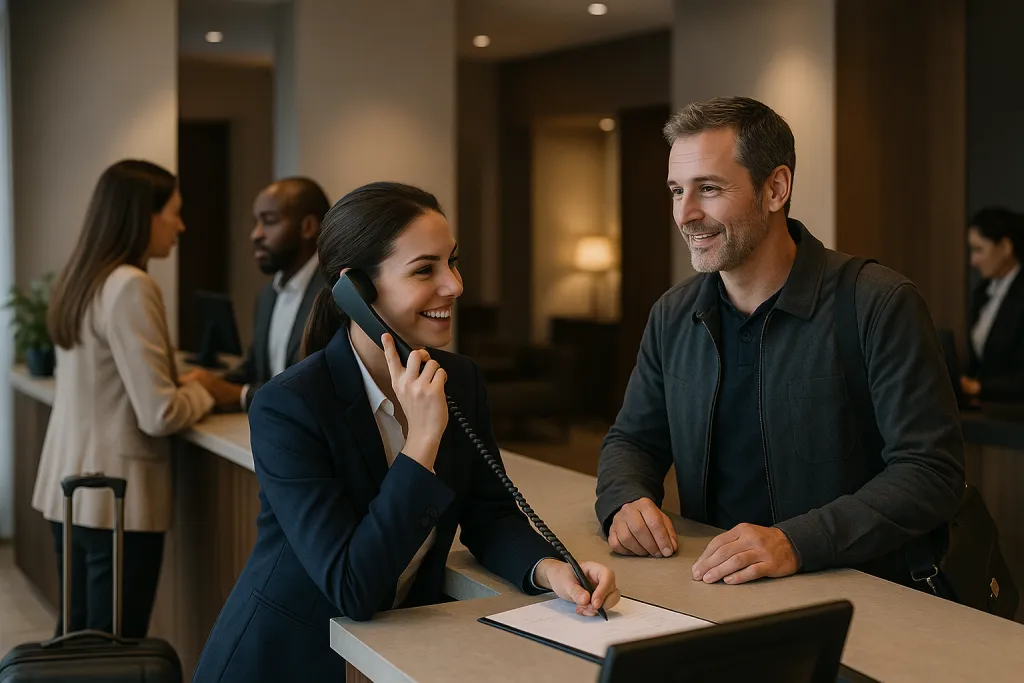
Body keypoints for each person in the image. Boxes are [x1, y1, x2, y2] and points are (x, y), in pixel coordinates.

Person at [193, 182, 620, 682]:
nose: (455, 285)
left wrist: (550, 571)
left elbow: (490, 515)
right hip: (284, 660)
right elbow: (354, 588)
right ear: (356, 291)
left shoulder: (459, 379)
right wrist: (421, 442)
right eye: (425, 270)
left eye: (452, 262)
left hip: (391, 657)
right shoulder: (288, 406)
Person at [595, 96, 965, 588]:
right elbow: (633, 440)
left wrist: (796, 541)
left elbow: (930, 473)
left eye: (708, 188)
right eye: (676, 190)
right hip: (718, 590)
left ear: (775, 188)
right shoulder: (672, 314)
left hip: (858, 596)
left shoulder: (878, 303)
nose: (684, 214)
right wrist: (625, 499)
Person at [32, 160, 240, 637]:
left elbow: (113, 384)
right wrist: (203, 389)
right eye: (174, 212)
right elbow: (160, 413)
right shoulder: (131, 284)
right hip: (116, 497)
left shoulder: (84, 278)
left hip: (72, 490)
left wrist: (176, 379)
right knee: (115, 646)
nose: (181, 226)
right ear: (142, 214)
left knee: (79, 638)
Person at [223, 177, 331, 410]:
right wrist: (211, 384)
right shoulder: (267, 296)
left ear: (308, 227)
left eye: (269, 221)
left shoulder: (334, 295)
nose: (256, 234)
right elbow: (257, 368)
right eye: (256, 222)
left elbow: (317, 389)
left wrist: (240, 395)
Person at [962, 206, 1024, 403]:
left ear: (1005, 247)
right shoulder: (982, 292)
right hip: (988, 411)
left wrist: (981, 387)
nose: (973, 260)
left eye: (979, 249)